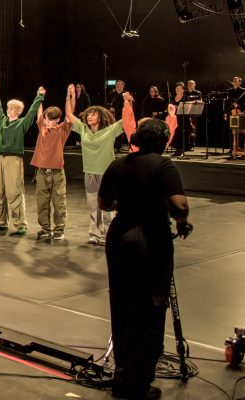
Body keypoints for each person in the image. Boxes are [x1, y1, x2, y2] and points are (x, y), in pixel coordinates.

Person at [99, 119, 192, 400]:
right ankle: (140, 383)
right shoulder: (163, 166)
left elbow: (105, 203)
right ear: (163, 141)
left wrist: (126, 204)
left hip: (119, 239)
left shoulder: (118, 164)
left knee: (122, 305)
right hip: (150, 241)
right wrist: (182, 222)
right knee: (151, 307)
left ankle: (123, 374)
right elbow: (180, 205)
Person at [66, 84, 129, 246]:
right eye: (88, 115)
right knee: (93, 205)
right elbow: (69, 115)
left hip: (107, 173)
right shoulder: (84, 130)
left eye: (92, 115)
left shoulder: (110, 130)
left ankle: (108, 235)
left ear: (100, 117)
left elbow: (127, 121)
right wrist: (69, 95)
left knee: (107, 207)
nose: (89, 117)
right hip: (89, 172)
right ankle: (94, 234)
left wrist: (128, 103)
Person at [0, 81, 44, 236]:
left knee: (14, 192)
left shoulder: (22, 123)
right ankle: (0, 221)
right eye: (9, 108)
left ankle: (20, 224)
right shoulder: (3, 122)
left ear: (18, 112)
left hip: (14, 159)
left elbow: (33, 112)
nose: (9, 110)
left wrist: (39, 96)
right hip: (0, 158)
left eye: (13, 109)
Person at [31, 104, 71, 241]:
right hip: (42, 172)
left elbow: (70, 116)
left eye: (50, 120)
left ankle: (59, 229)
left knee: (59, 202)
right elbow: (39, 113)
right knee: (42, 202)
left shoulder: (62, 130)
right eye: (46, 119)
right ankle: (45, 228)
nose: (47, 122)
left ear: (58, 119)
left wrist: (69, 96)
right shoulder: (42, 128)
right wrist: (40, 97)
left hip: (57, 173)